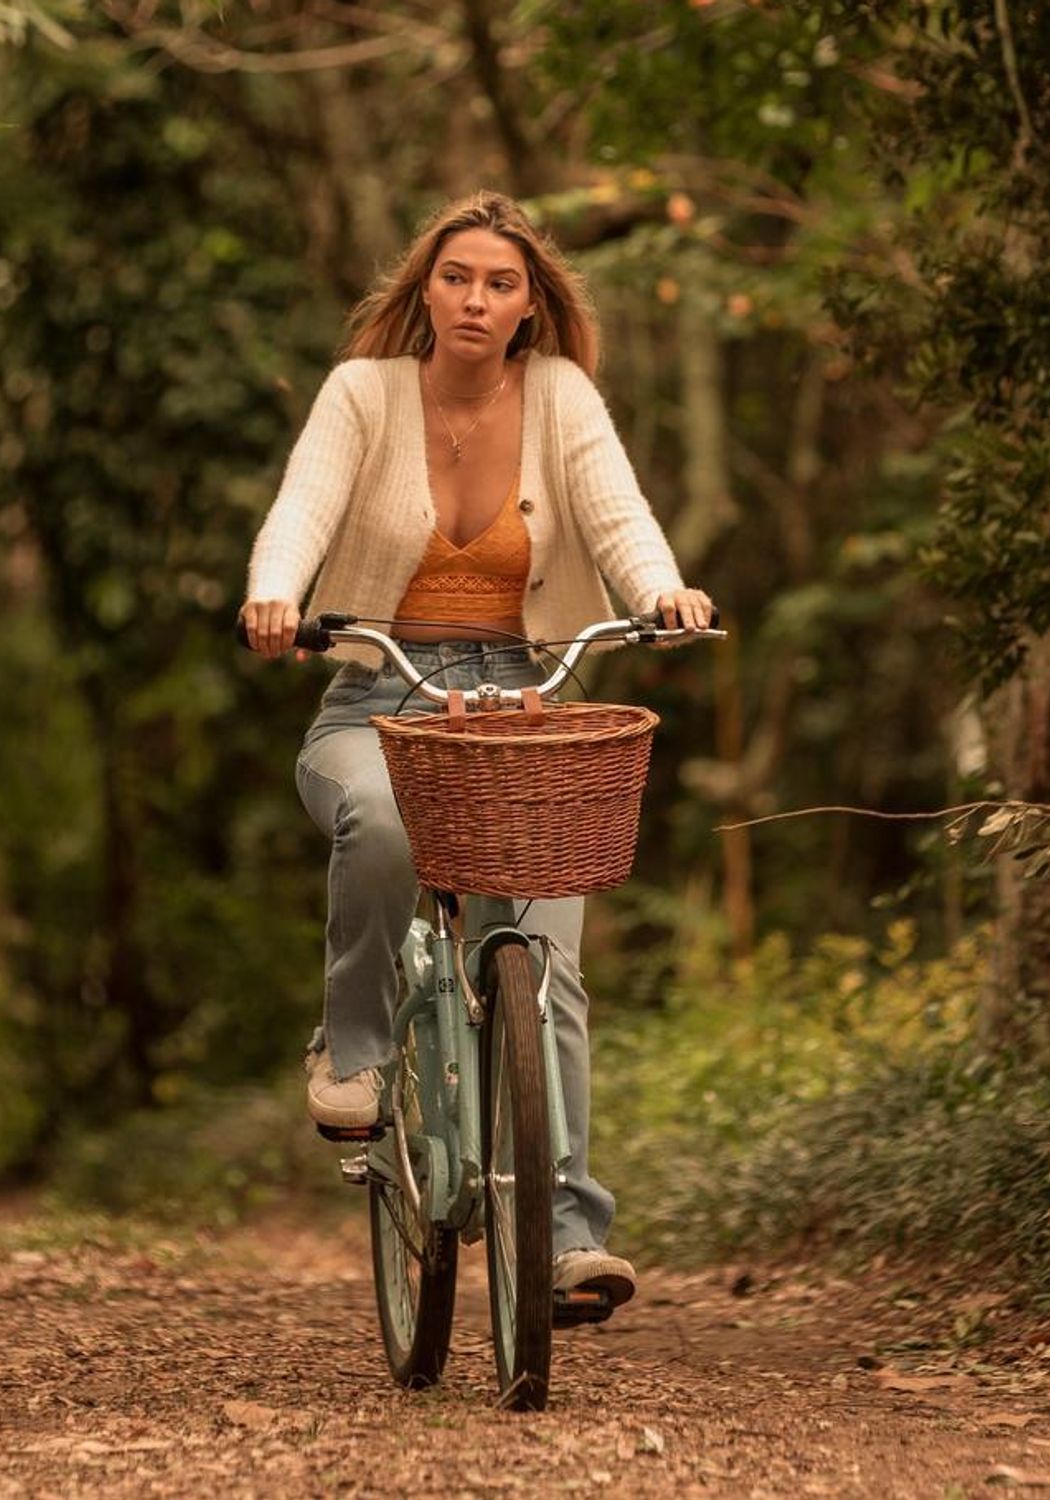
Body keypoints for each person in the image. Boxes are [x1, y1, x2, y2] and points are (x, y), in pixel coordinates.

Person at [240, 190, 712, 1310]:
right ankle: (352, 1050)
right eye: (457, 276)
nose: (474, 298)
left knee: (544, 965)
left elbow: (617, 515)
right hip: (375, 697)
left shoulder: (559, 397)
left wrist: (662, 590)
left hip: (524, 702)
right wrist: (273, 596)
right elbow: (301, 508)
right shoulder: (362, 393)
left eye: (500, 284)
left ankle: (560, 1232)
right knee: (383, 820)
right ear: (424, 287)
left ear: (528, 308)